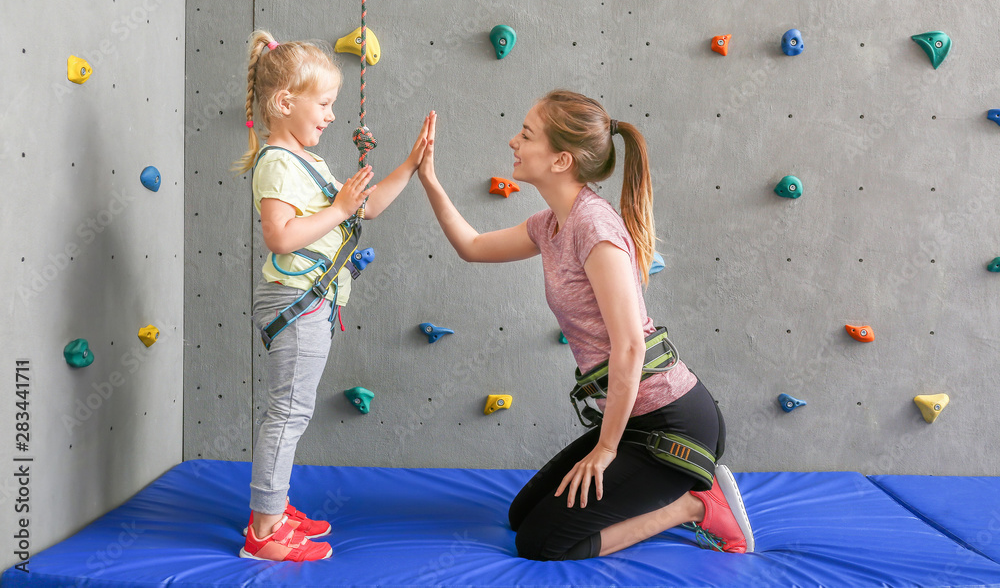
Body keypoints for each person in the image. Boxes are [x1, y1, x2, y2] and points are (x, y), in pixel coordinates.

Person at [416, 91, 754, 560]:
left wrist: (606, 449)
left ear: (561, 160)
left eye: (526, 134)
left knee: (542, 542)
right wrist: (429, 179)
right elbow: (472, 245)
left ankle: (693, 505)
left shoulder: (595, 228)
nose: (513, 140)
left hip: (672, 428)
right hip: (634, 420)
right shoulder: (550, 224)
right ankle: (667, 489)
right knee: (521, 517)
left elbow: (631, 347)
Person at [232, 30, 431, 561]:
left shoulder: (308, 163)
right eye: (323, 104)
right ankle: (264, 532)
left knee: (291, 410)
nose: (331, 115)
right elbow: (279, 236)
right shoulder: (276, 161)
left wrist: (409, 166)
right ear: (284, 103)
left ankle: (272, 508)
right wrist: (340, 209)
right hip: (296, 300)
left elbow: (366, 208)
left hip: (311, 302)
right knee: (289, 412)